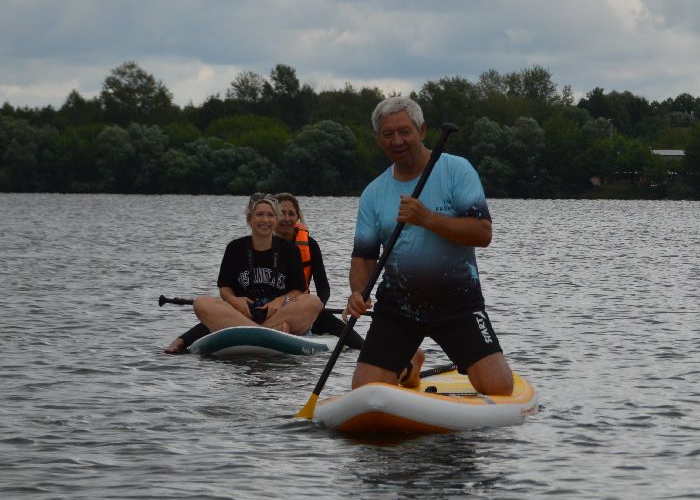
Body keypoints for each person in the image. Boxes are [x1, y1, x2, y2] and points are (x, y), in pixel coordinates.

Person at [346, 96, 514, 394]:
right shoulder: (373, 193)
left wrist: (428, 219)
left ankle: (409, 364)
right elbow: (364, 257)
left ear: (421, 131)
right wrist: (358, 293)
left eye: (405, 131)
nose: (397, 140)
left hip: (458, 302)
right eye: (388, 134)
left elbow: (483, 232)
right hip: (398, 307)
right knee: (364, 393)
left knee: (499, 388)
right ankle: (409, 365)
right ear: (379, 140)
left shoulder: (456, 171)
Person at [164, 194, 323, 353]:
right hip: (241, 314)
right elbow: (224, 287)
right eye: (259, 214)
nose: (265, 220)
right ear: (249, 219)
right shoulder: (234, 248)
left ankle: (250, 332)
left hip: (277, 314)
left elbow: (298, 290)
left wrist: (281, 301)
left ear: (275, 220)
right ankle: (267, 332)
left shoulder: (290, 250)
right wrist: (234, 300)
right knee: (201, 302)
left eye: (270, 215)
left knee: (313, 302)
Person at [275, 192, 362, 349]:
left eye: (291, 214)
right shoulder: (261, 245)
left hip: (303, 310)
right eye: (282, 213)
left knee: (356, 342)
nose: (287, 219)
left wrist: (316, 308)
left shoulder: (310, 245)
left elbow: (324, 288)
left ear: (297, 217)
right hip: (270, 310)